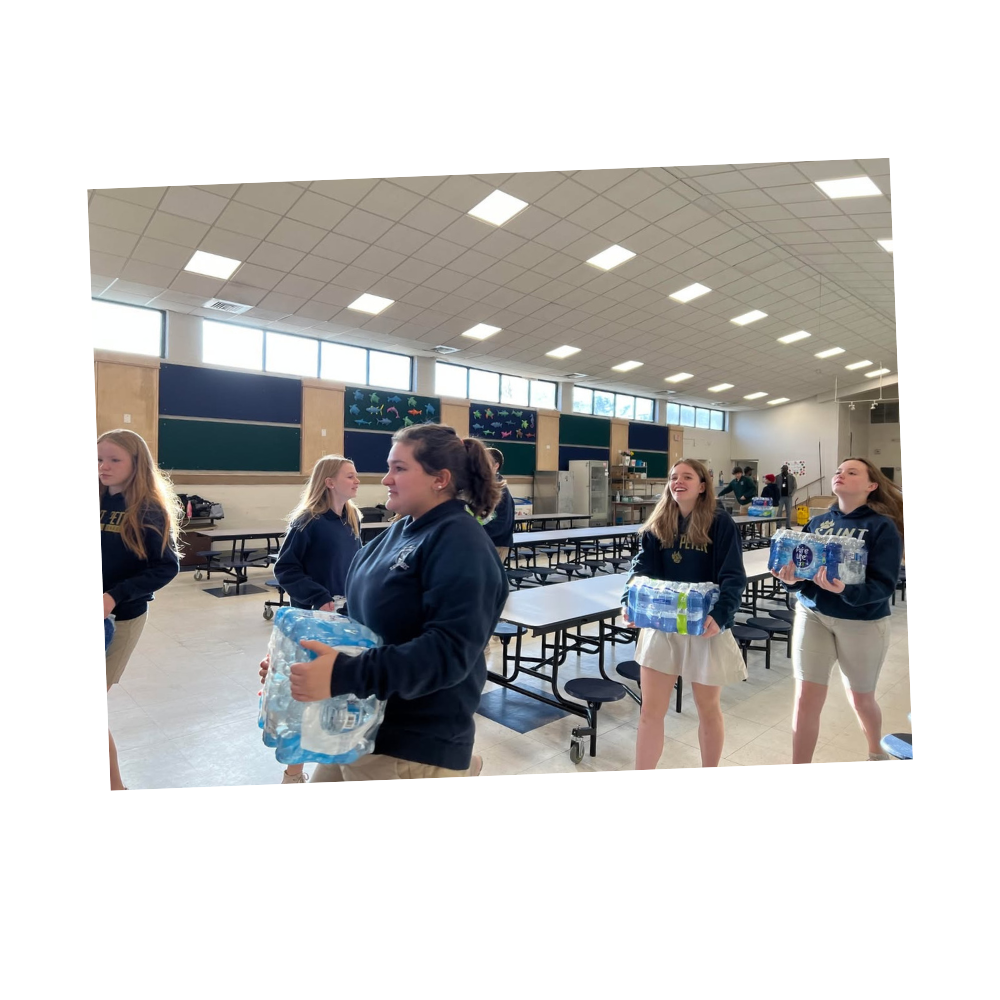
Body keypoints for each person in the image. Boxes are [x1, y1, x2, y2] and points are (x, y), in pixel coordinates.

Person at [262, 424, 508, 781]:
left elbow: (448, 653)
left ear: (440, 478)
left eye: (399, 468)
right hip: (358, 721)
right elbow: (358, 622)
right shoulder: (398, 531)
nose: (385, 479)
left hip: (410, 743)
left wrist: (341, 673)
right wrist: (298, 662)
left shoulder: (460, 540)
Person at [770, 458, 904, 763]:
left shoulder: (881, 526)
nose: (840, 474)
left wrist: (846, 590)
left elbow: (884, 586)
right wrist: (791, 582)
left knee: (861, 698)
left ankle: (875, 751)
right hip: (813, 614)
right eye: (839, 471)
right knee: (806, 698)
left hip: (862, 621)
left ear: (871, 486)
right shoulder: (818, 523)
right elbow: (803, 575)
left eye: (851, 472)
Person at [621, 458, 747, 769]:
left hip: (705, 625)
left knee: (707, 708)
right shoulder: (658, 522)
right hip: (662, 624)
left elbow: (733, 575)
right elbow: (641, 569)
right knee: (650, 711)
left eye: (687, 477)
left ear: (702, 486)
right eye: (674, 477)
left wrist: (721, 614)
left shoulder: (720, 522)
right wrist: (629, 600)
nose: (678, 481)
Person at [271, 455, 363, 784]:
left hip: (345, 622)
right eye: (350, 476)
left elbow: (355, 566)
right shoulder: (307, 521)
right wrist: (319, 597)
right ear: (329, 482)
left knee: (337, 693)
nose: (357, 481)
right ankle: (293, 774)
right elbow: (285, 569)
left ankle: (334, 760)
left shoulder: (351, 519)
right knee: (303, 698)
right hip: (312, 621)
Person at [100, 429, 182, 791]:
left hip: (122, 618)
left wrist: (116, 596)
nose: (103, 466)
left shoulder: (149, 509)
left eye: (114, 460)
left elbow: (166, 567)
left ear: (136, 463)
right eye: (99, 459)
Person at [482, 447, 514, 564]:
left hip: (496, 544)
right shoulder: (486, 486)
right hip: (486, 542)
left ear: (496, 466)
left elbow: (502, 523)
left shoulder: (500, 489)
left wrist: (475, 532)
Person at [776, 464, 798, 528]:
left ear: (787, 469)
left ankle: (788, 526)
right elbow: (775, 486)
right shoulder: (777, 477)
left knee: (789, 512)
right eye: (782, 469)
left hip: (788, 497)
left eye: (785, 469)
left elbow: (795, 487)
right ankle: (778, 525)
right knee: (779, 512)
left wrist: (792, 494)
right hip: (780, 497)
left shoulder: (792, 477)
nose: (783, 470)